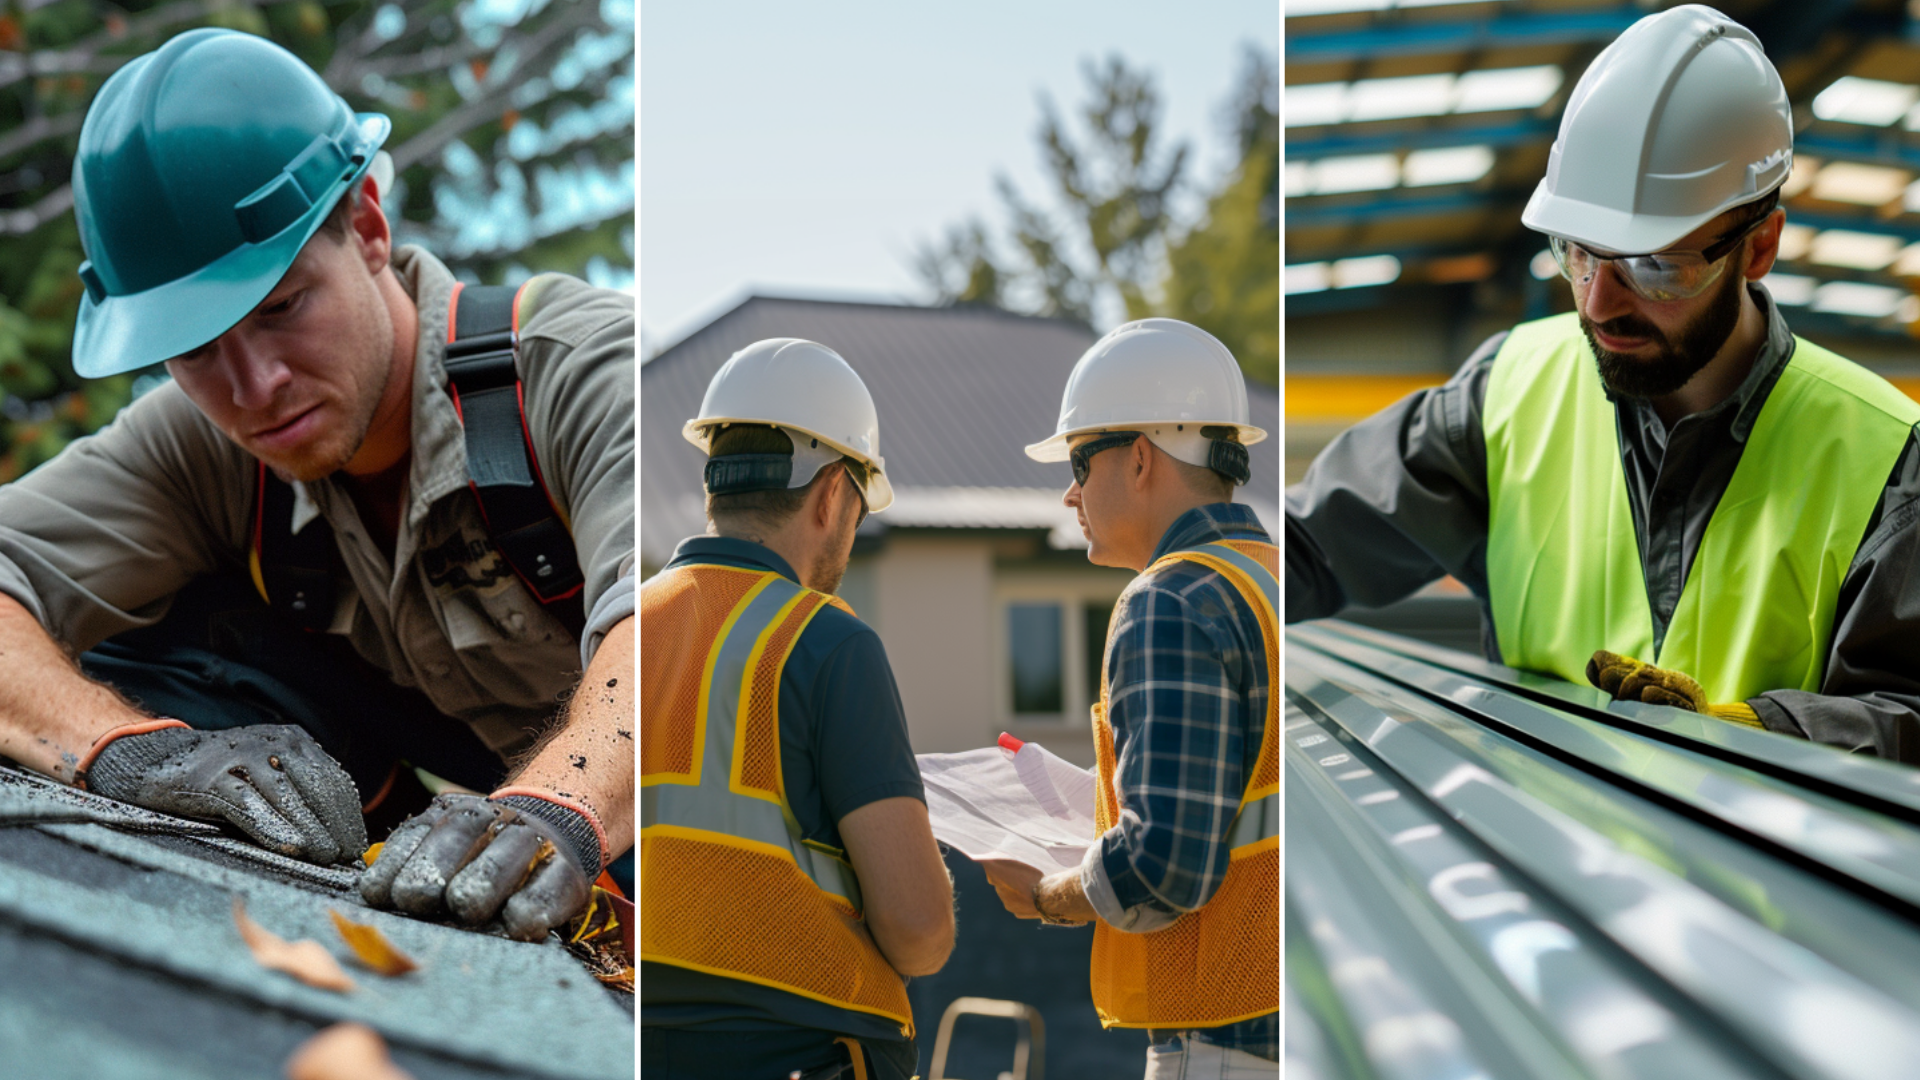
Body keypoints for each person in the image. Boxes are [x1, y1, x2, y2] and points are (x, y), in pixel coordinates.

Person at [0, 29, 634, 941]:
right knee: (138, 654)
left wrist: (557, 817)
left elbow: (679, 638)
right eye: (195, 350)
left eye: (282, 307)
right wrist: (124, 753)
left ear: (369, 227)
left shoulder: (575, 371)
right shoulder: (200, 453)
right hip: (438, 834)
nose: (253, 388)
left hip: (702, 854)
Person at [1288, 4, 1920, 763]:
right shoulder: (1506, 392)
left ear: (1758, 248)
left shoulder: (1886, 462)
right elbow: (1303, 546)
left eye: (1653, 264)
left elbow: (1906, 716)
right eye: (1579, 252)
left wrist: (1762, 734)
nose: (1596, 301)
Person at [639, 338, 954, 1080]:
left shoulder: (629, 630)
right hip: (803, 1051)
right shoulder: (828, 642)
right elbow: (919, 932)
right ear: (832, 493)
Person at [982, 319, 1278, 1078]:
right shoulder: (1275, 581)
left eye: (1082, 459)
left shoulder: (1169, 601)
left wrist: (1048, 893)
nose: (1069, 490)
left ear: (1141, 457)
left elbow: (1164, 868)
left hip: (1224, 1037)